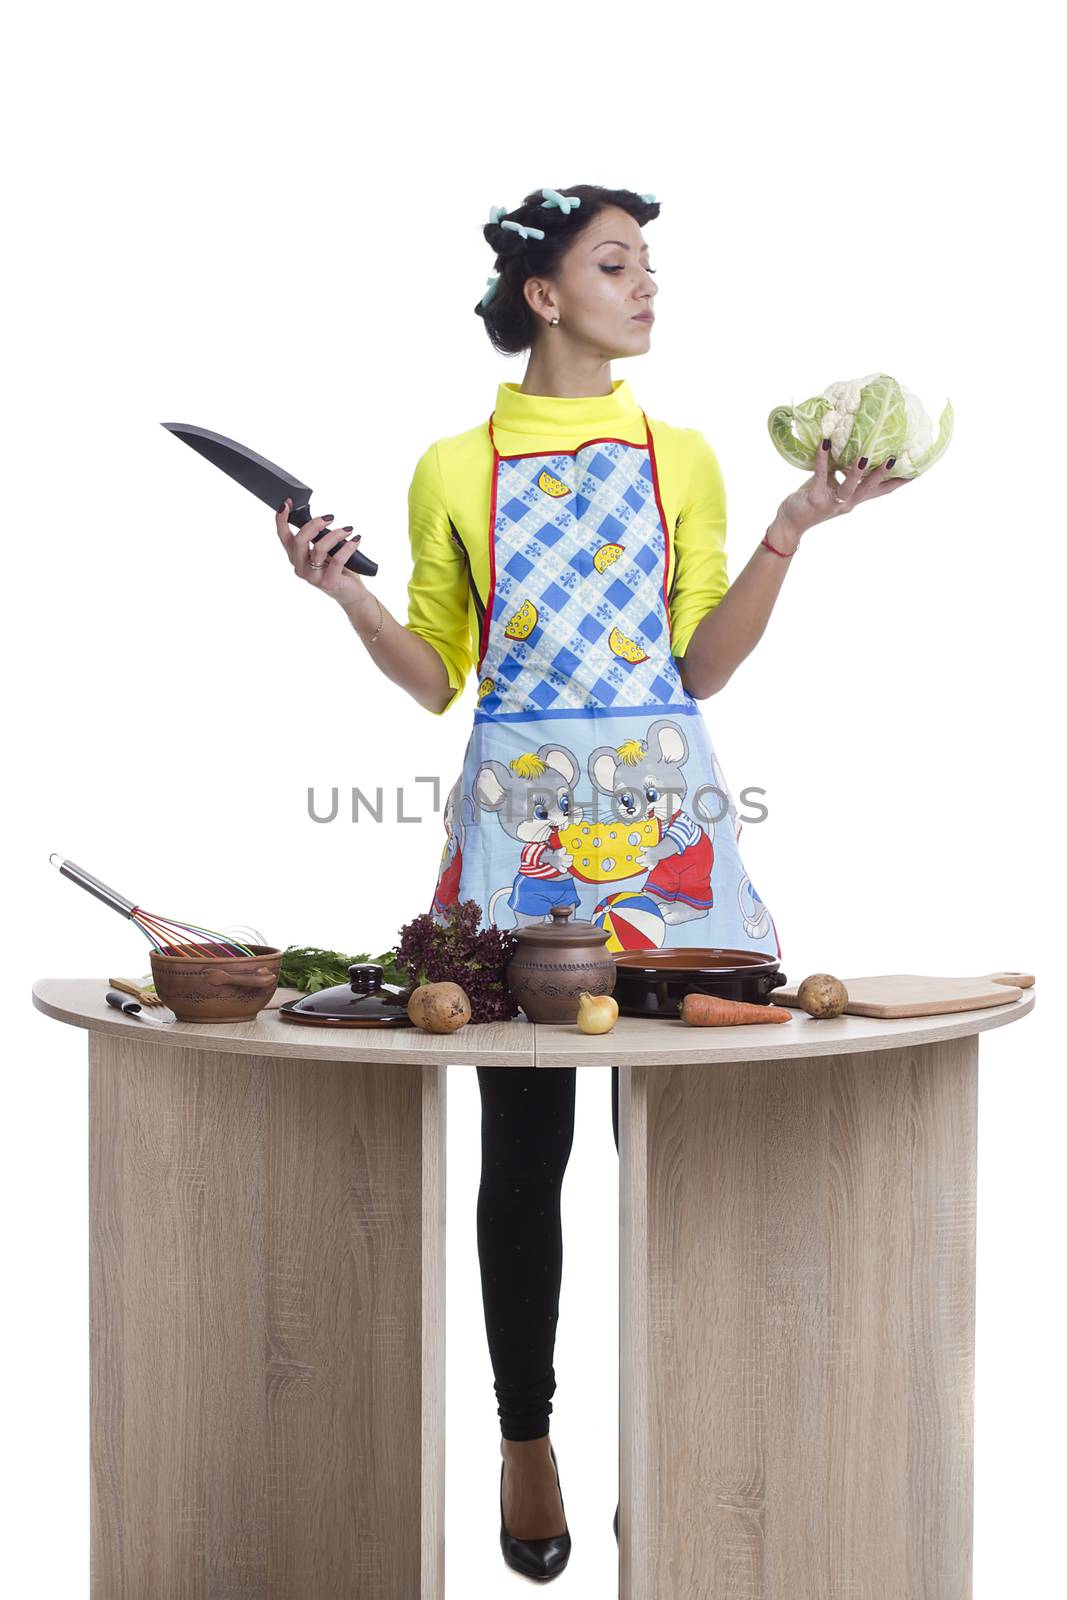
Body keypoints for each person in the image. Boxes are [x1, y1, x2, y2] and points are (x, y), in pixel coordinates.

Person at [274, 183, 914, 1580]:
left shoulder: (681, 455)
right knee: (529, 1148)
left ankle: (669, 1440)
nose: (649, 286)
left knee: (677, 1154)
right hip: (524, 842)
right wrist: (348, 599)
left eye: (650, 265)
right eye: (617, 264)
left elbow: (701, 668)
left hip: (669, 831)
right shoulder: (456, 466)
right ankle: (526, 1440)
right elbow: (440, 676)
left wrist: (793, 526)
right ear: (546, 297)